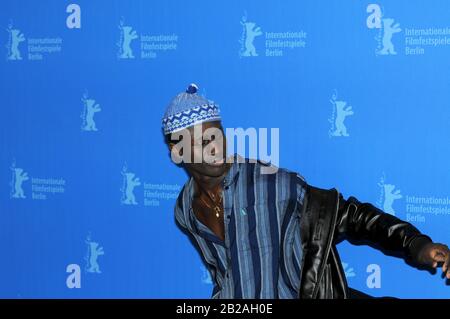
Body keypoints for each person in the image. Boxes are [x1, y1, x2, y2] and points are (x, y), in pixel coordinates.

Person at [162, 84, 450, 299]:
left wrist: (416, 244)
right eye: (201, 142)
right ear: (178, 152)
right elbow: (224, 271)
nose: (216, 148)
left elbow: (352, 216)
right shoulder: (185, 210)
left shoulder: (269, 183)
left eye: (217, 135)